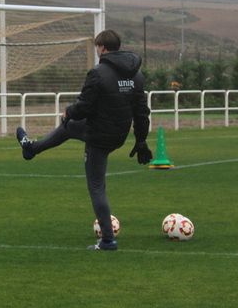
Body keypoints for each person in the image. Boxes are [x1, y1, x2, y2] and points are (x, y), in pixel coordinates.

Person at [15, 29, 152, 251]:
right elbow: (141, 112)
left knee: (96, 186)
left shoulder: (98, 73)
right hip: (118, 134)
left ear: (102, 48)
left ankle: (107, 240)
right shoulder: (136, 75)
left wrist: (68, 111)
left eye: (97, 47)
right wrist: (141, 140)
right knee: (69, 128)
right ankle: (31, 148)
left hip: (99, 136)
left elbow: (83, 107)